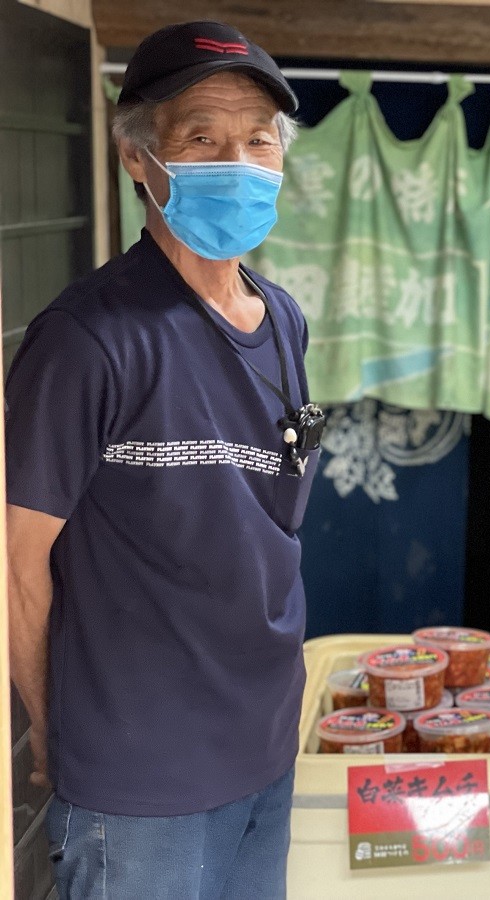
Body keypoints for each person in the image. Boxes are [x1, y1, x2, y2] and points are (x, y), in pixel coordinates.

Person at [6, 20, 321, 899]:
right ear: (139, 159)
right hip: (140, 777)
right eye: (201, 138)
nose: (239, 159)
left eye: (258, 139)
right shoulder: (85, 340)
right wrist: (55, 730)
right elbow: (17, 565)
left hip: (264, 744)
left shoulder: (282, 317)